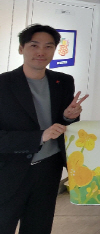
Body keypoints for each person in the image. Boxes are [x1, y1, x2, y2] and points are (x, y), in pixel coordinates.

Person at [0, 24, 87, 234]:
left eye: (48, 46)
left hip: (48, 169)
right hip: (9, 170)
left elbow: (64, 125)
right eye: (34, 45)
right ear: (21, 48)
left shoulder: (63, 82)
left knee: (39, 226)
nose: (41, 52)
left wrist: (68, 117)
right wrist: (40, 136)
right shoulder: (4, 84)